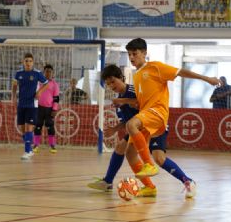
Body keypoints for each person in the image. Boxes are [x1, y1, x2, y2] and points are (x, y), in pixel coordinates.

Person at [87, 64, 196, 198]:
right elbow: (127, 122)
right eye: (108, 84)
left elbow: (142, 103)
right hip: (139, 129)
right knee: (125, 150)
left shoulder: (134, 90)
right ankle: (141, 186)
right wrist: (115, 129)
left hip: (154, 125)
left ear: (122, 77)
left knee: (159, 158)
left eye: (113, 81)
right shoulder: (118, 103)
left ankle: (187, 181)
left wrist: (124, 100)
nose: (111, 86)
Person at [124, 38, 221, 179]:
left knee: (131, 124)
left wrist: (207, 79)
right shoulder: (137, 75)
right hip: (146, 115)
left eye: (135, 53)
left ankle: (148, 165)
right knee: (131, 153)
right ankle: (152, 188)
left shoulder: (155, 67)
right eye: (129, 55)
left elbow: (181, 72)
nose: (132, 57)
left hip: (157, 113)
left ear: (144, 53)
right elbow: (143, 100)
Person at [12, 53, 49, 160]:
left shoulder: (37, 73)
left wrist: (39, 92)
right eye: (26, 61)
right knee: (22, 129)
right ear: (23, 62)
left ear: (33, 62)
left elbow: (46, 83)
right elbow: (14, 86)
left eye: (30, 61)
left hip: (32, 104)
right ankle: (30, 148)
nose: (28, 63)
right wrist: (13, 97)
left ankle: (27, 151)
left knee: (29, 128)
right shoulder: (18, 73)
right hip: (21, 104)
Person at [33, 64, 60, 153]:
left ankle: (52, 146)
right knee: (38, 126)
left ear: (52, 73)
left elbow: (56, 98)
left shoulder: (55, 84)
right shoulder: (39, 83)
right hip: (39, 108)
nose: (48, 73)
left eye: (50, 71)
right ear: (43, 73)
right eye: (46, 71)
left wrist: (54, 109)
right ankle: (36, 145)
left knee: (50, 127)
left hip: (49, 110)